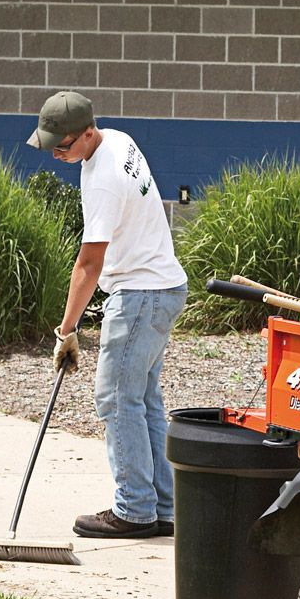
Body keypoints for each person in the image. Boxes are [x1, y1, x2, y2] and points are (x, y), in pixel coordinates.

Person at [26, 91, 189, 539]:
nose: (57, 155)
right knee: (142, 400)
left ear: (87, 134)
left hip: (140, 293)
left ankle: (133, 510)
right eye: (51, 146)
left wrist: (67, 330)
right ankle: (163, 507)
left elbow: (88, 264)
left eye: (62, 146)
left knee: (116, 398)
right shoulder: (118, 139)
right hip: (163, 287)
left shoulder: (102, 178)